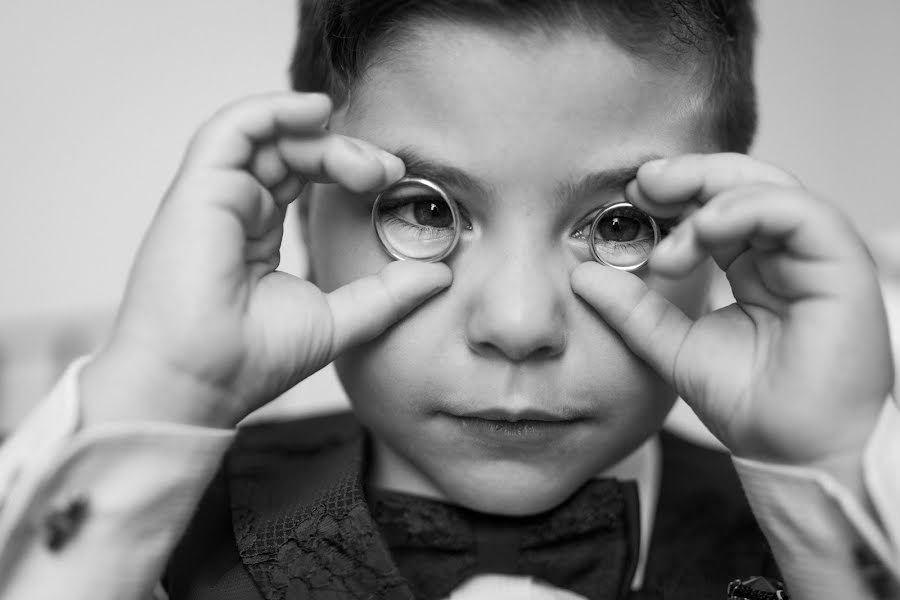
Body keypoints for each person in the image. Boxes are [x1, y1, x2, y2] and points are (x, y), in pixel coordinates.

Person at [1, 1, 898, 598]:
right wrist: (161, 390)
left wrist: (832, 471)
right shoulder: (138, 535)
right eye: (425, 210)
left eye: (622, 226)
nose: (516, 325)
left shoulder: (833, 550)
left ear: (717, 248)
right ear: (301, 224)